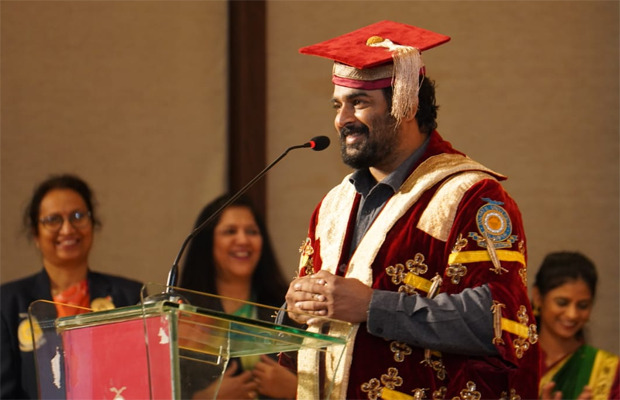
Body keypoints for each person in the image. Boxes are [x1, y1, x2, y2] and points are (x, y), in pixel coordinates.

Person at [283, 20, 540, 399]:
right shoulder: (333, 206)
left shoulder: (471, 196)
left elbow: (499, 320)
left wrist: (373, 307)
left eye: (359, 102)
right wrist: (293, 309)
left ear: (406, 103)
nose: (342, 120)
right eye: (338, 105)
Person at [0, 173, 143, 399]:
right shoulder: (7, 303)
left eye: (78, 216)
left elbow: (142, 383)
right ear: (35, 233)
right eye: (53, 220)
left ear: (93, 224)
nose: (67, 229)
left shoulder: (130, 296)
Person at [179, 193, 297, 399]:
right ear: (207, 243)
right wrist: (204, 398)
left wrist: (296, 390)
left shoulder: (289, 308)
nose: (243, 240)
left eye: (251, 231)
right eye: (230, 231)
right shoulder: (182, 311)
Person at [533, 251, 619, 400]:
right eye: (562, 303)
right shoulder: (511, 364)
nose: (572, 314)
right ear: (538, 298)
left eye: (583, 305)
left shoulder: (608, 369)